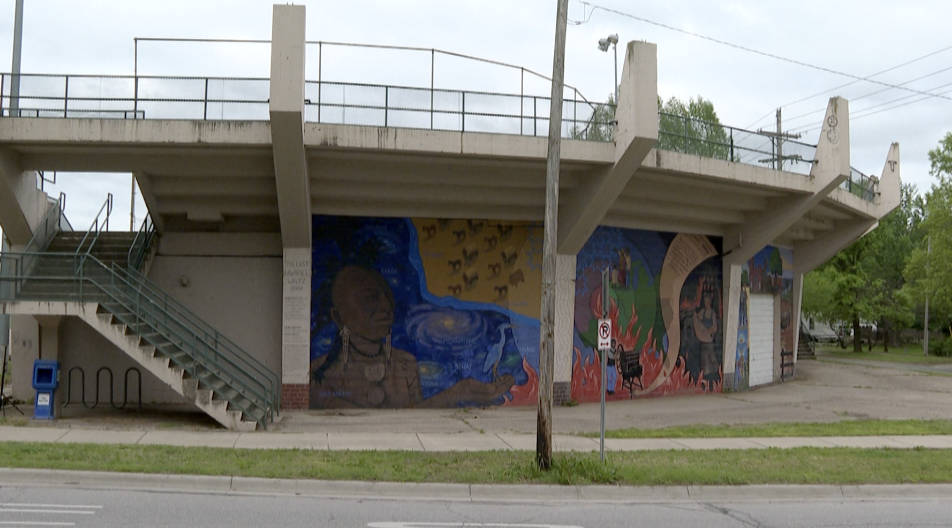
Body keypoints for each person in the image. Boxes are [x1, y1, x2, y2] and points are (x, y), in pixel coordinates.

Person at [310, 266, 515, 409]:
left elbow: (415, 414)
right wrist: (459, 392)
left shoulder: (406, 364)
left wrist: (463, 390)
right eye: (370, 298)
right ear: (338, 317)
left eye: (387, 297)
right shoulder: (320, 373)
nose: (386, 307)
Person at [693, 285, 719, 387]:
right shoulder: (702, 312)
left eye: (708, 300)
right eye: (705, 300)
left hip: (709, 341)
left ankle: (715, 379)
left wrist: (708, 331)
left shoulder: (712, 313)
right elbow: (697, 319)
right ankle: (705, 382)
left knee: (712, 360)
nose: (706, 302)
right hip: (703, 342)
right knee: (704, 362)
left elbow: (715, 326)